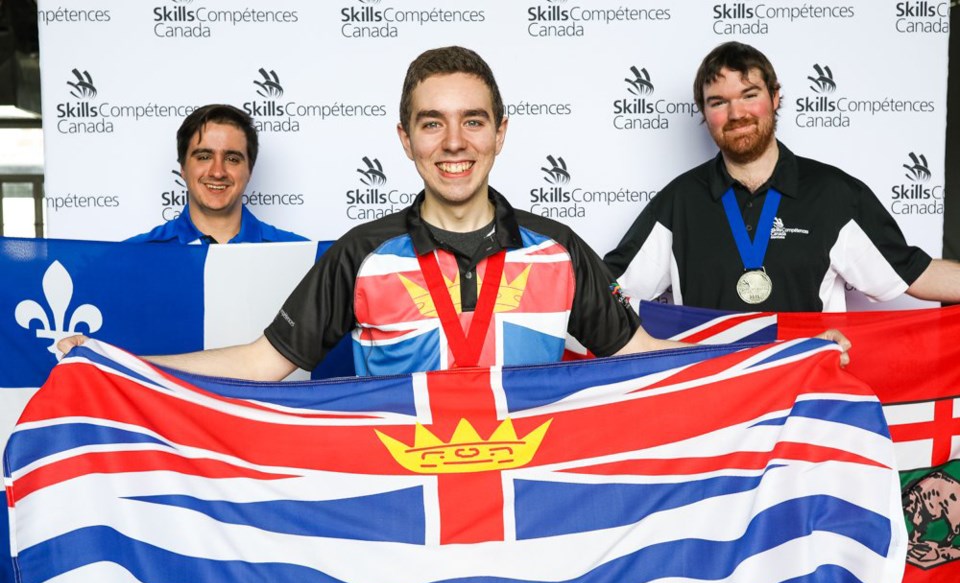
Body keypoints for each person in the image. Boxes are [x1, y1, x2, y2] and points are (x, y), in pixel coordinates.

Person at [61, 46, 703, 379]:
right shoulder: (360, 254)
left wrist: (769, 366)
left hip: (531, 513)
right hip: (396, 521)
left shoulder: (557, 248)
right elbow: (262, 364)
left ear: (501, 133)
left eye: (472, 121)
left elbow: (645, 357)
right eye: (433, 124)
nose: (454, 143)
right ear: (405, 138)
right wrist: (120, 362)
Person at [604, 41, 960, 312]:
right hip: (713, 398)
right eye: (718, 102)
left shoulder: (833, 194)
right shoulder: (679, 201)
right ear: (704, 111)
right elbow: (608, 291)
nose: (736, 113)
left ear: (775, 97)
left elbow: (916, 274)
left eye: (749, 95)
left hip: (806, 399)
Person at [127, 104, 307, 244]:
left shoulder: (301, 257)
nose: (218, 172)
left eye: (232, 159)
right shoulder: (134, 255)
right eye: (204, 157)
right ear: (182, 168)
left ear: (250, 170)